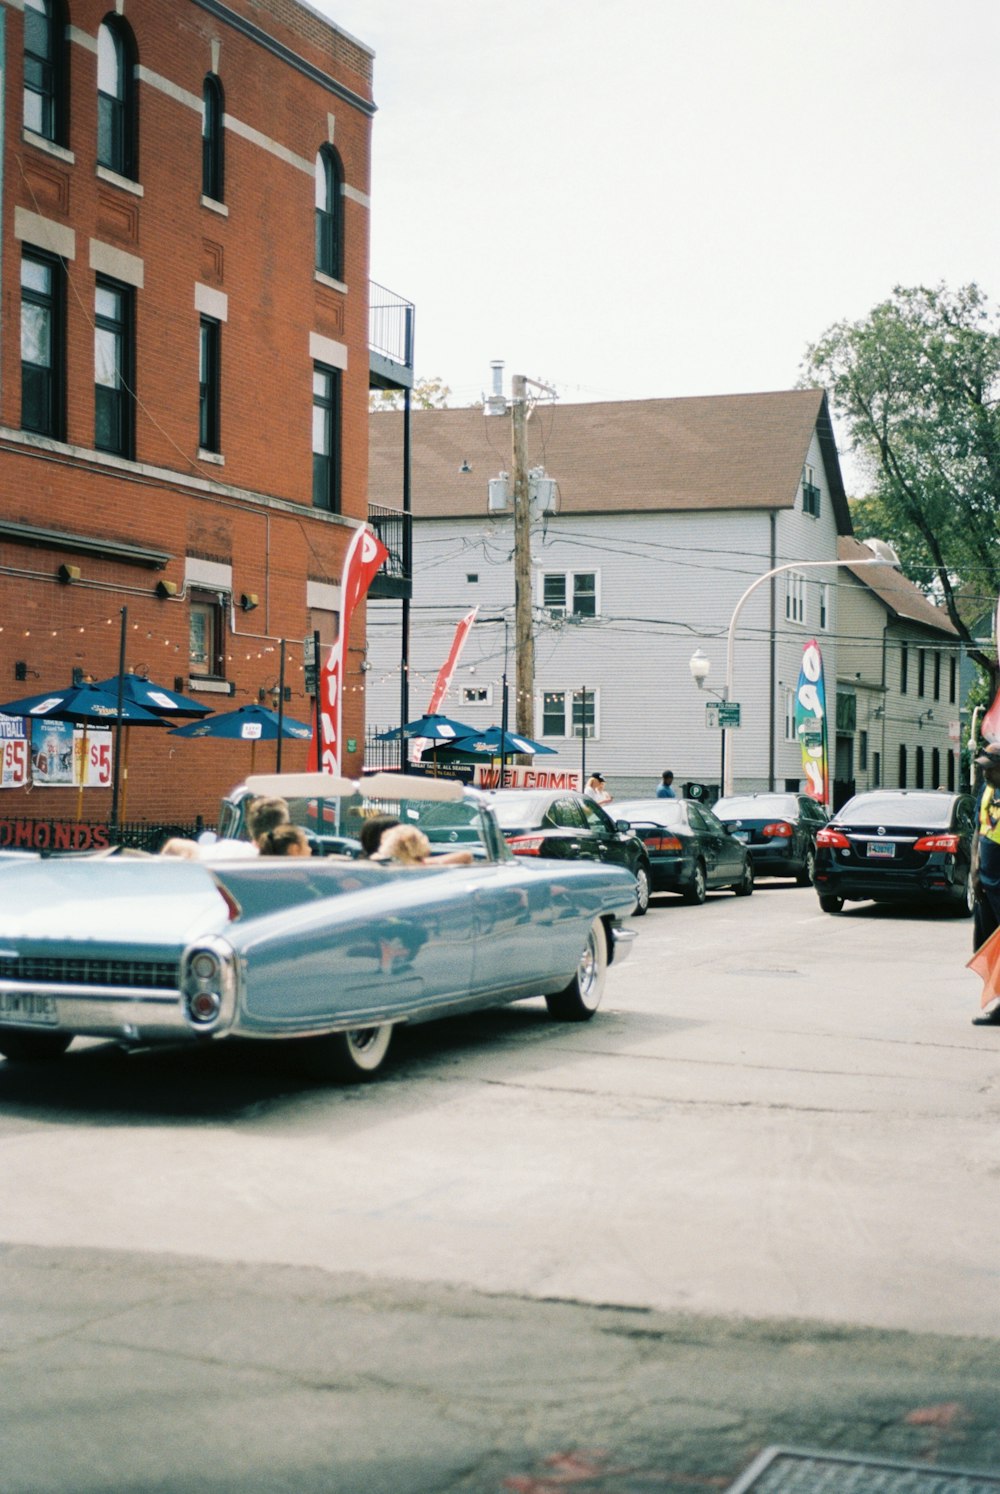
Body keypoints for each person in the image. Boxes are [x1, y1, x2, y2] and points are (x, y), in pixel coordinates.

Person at [970, 743, 1000, 1024]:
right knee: (988, 946)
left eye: (989, 769)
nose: (984, 774)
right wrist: (974, 872)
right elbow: (979, 831)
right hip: (987, 883)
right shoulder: (986, 791)